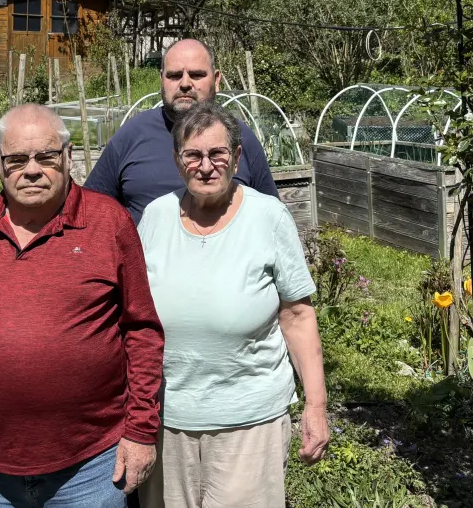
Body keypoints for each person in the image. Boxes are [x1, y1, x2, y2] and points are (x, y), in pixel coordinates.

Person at [0, 104, 165, 507]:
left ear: (68, 157)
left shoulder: (107, 222)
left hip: (91, 468)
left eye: (46, 156)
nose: (32, 170)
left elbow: (142, 332)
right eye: (17, 159)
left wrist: (141, 431)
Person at [135, 101, 329, 508]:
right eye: (193, 155)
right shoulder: (154, 217)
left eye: (217, 153)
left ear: (237, 157)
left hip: (249, 421)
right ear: (177, 160)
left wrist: (316, 405)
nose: (206, 166)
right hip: (166, 420)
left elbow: (297, 315)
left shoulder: (268, 216)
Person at [85, 38, 278, 224]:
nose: (185, 83)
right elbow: (89, 212)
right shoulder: (131, 135)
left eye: (196, 75)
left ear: (217, 80)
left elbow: (271, 217)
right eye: (174, 75)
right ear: (162, 79)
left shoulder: (239, 137)